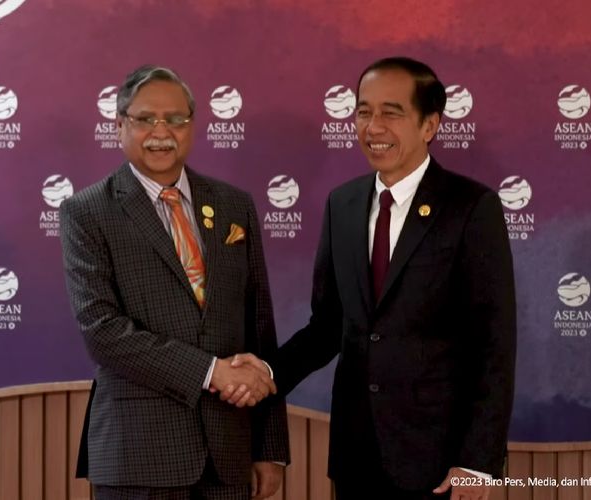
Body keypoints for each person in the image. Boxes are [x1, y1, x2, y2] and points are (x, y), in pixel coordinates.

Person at [228, 57, 516, 500]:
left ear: (429, 125)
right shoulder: (341, 205)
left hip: (439, 464)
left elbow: (495, 344)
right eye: (364, 111)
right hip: (356, 456)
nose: (372, 126)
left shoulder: (471, 208)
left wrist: (477, 463)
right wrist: (267, 371)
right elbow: (327, 327)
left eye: (391, 112)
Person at [60, 65, 289, 500]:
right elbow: (103, 332)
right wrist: (212, 372)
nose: (161, 131)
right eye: (145, 119)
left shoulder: (233, 205)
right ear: (120, 125)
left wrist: (270, 446)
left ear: (193, 125)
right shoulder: (87, 212)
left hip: (229, 454)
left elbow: (260, 328)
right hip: (137, 457)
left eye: (176, 119)